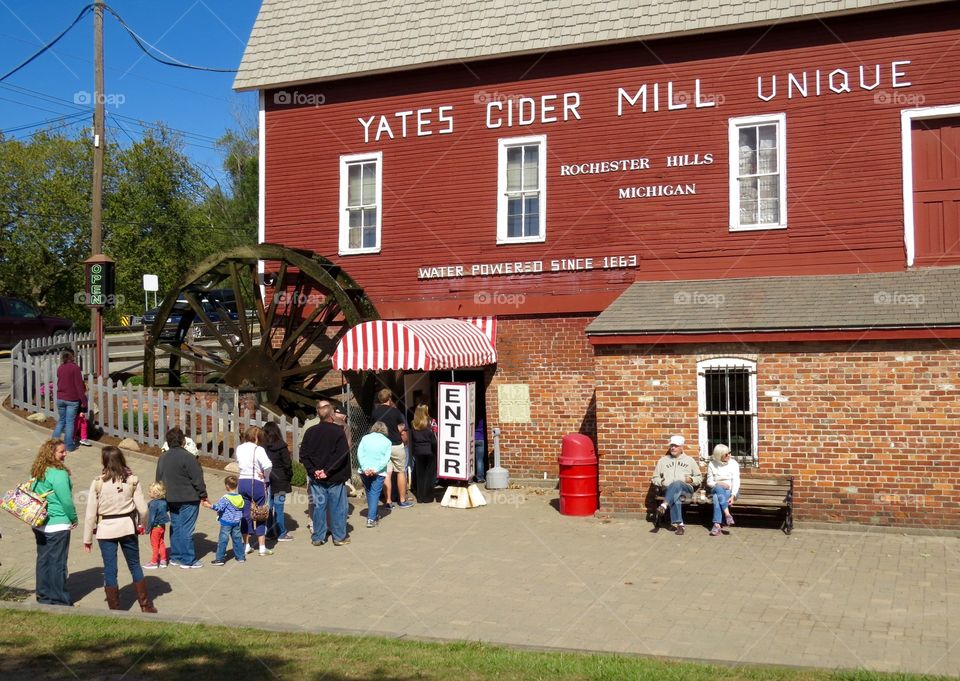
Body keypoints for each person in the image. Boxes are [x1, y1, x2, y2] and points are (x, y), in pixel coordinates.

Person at [82, 446, 156, 613]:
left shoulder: (98, 483)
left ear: (104, 461)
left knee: (110, 568)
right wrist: (143, 525)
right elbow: (143, 509)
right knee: (135, 565)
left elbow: (90, 514)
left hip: (105, 529)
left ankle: (115, 608)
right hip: (127, 528)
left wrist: (87, 539)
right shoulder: (132, 480)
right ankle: (146, 605)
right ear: (122, 459)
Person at [30, 439, 77, 606]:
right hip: (58, 523)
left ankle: (43, 595)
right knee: (58, 562)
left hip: (38, 522)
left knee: (43, 560)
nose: (65, 454)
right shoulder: (59, 474)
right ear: (52, 454)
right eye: (61, 452)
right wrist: (74, 518)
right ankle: (59, 599)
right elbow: (66, 501)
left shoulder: (37, 471)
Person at [155, 427, 207, 569]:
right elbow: (197, 479)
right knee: (186, 529)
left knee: (176, 527)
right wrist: (203, 495)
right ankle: (188, 559)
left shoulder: (163, 458)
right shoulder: (188, 457)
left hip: (171, 498)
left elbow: (158, 479)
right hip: (189, 498)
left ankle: (176, 556)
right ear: (183, 441)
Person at [300, 403, 351, 546]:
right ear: (332, 416)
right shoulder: (338, 431)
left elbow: (304, 454)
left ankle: (318, 537)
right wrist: (326, 471)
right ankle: (339, 537)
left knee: (318, 507)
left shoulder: (310, 431)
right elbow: (341, 455)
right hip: (334, 476)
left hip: (317, 477)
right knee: (338, 508)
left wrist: (313, 470)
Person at [650, 435, 702, 535]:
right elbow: (654, 478)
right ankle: (680, 525)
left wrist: (691, 479)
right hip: (669, 490)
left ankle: (664, 505)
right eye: (671, 446)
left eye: (676, 446)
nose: (673, 448)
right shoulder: (663, 461)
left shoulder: (689, 460)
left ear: (681, 447)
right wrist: (661, 482)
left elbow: (699, 478)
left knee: (677, 483)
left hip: (686, 490)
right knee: (676, 496)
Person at [235, 426, 274, 556]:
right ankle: (262, 547)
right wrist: (265, 474)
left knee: (245, 514)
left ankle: (246, 545)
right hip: (256, 482)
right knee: (261, 513)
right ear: (258, 438)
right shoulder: (259, 449)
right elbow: (268, 465)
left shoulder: (239, 448)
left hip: (242, 482)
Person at [371, 389, 413, 508]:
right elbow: (402, 430)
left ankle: (388, 501)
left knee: (387, 473)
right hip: (396, 444)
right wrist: (406, 442)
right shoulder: (395, 412)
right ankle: (402, 500)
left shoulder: (375, 413)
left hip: (382, 445)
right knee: (400, 471)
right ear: (389, 399)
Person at [261, 422, 294, 541]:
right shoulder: (282, 446)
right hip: (280, 480)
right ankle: (281, 533)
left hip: (267, 478)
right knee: (279, 508)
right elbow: (287, 464)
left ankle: (269, 532)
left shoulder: (262, 447)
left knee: (269, 506)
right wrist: (289, 477)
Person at [202, 475, 246, 565]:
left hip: (226, 522)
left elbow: (219, 508)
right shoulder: (240, 497)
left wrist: (209, 505)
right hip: (237, 522)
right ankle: (240, 556)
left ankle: (220, 559)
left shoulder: (226, 498)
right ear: (236, 485)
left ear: (227, 486)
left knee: (223, 540)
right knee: (237, 539)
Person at [357, 421, 392, 527]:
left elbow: (359, 453)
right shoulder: (387, 442)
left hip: (364, 470)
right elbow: (386, 459)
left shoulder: (365, 438)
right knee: (375, 493)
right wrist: (376, 469)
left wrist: (365, 467)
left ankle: (373, 514)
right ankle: (371, 518)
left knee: (369, 493)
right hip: (379, 472)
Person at [52, 349, 86, 452]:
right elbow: (79, 386)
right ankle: (69, 446)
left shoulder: (60, 368)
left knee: (62, 420)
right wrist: (84, 402)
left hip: (60, 398)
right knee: (70, 422)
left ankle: (53, 444)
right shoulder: (75, 368)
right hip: (72, 399)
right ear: (72, 356)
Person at [707, 444, 740, 536]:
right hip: (716, 488)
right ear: (719, 455)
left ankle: (716, 525)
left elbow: (736, 480)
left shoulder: (733, 463)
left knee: (716, 497)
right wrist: (719, 484)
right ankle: (727, 514)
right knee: (718, 488)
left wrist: (733, 496)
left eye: (729, 453)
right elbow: (709, 481)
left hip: (731, 491)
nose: (729, 455)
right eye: (726, 454)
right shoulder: (712, 464)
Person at [410, 405, 437, 503]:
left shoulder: (413, 423)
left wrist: (412, 451)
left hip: (418, 451)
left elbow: (412, 439)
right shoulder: (431, 421)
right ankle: (428, 497)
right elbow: (435, 436)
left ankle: (420, 497)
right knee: (430, 474)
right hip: (430, 451)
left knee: (420, 474)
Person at [142, 482, 169, 569]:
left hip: (155, 527)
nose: (148, 493)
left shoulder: (153, 504)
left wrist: (147, 529)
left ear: (155, 493)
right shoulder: (164, 502)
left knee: (155, 545)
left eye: (150, 491)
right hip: (162, 526)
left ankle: (154, 562)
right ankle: (163, 561)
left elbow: (151, 518)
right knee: (161, 542)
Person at [474, 418, 487, 484]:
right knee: (479, 460)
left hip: (471, 439)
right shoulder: (482, 420)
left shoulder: (469, 418)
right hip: (481, 439)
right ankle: (480, 478)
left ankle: (469, 478)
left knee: (468, 460)